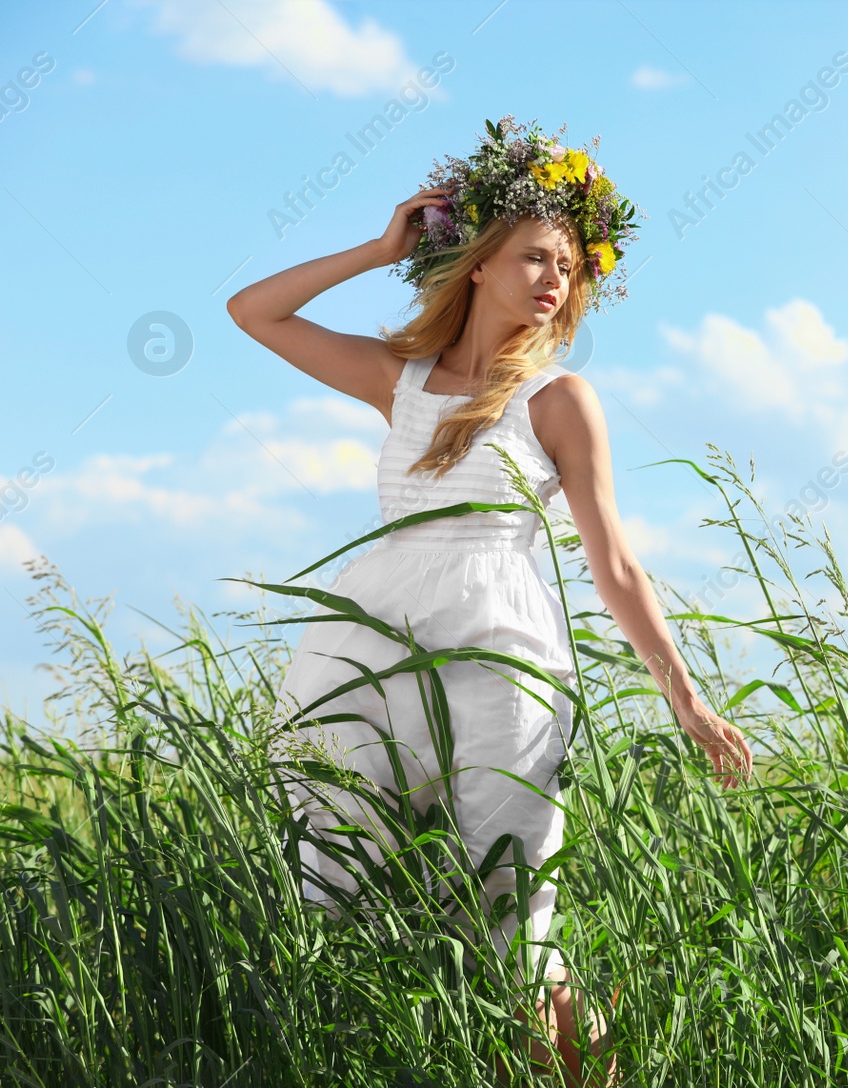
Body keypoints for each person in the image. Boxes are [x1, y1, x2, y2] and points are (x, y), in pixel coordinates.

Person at [226, 116, 753, 1086]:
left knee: (513, 916)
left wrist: (685, 695)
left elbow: (616, 563)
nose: (556, 278)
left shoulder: (557, 400)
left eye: (568, 263)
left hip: (502, 656)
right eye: (533, 256)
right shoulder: (402, 381)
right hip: (371, 648)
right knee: (341, 886)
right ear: (476, 263)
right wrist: (383, 247)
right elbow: (252, 310)